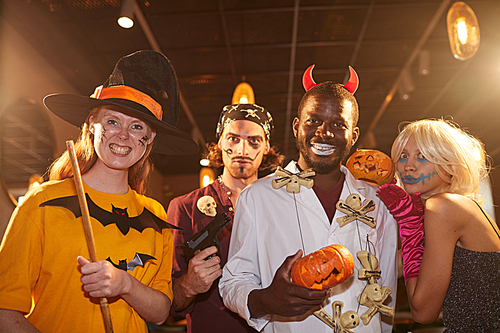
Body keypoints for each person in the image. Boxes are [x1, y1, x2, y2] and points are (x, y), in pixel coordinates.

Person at [0, 50, 198, 333]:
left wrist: (125, 284)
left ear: (149, 138)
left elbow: (160, 311)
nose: (123, 135)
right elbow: (5, 310)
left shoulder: (154, 214)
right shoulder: (42, 202)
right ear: (91, 124)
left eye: (137, 126)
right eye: (112, 121)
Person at [219, 65, 398, 333]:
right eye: (313, 121)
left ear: (354, 136)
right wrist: (265, 299)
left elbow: (387, 288)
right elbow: (234, 281)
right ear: (296, 127)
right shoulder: (257, 197)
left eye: (338, 124)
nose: (324, 132)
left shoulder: (378, 202)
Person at [167, 103, 283, 333]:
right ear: (220, 142)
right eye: (233, 138)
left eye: (253, 141)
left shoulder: (282, 206)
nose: (242, 149)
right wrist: (189, 285)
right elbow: (170, 303)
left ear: (266, 147)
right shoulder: (185, 207)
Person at [377, 119, 500, 332]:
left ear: (450, 166)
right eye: (403, 156)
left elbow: (423, 312)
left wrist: (409, 227)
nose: (409, 165)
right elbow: (382, 269)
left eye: (423, 156)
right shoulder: (453, 206)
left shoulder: (443, 206)